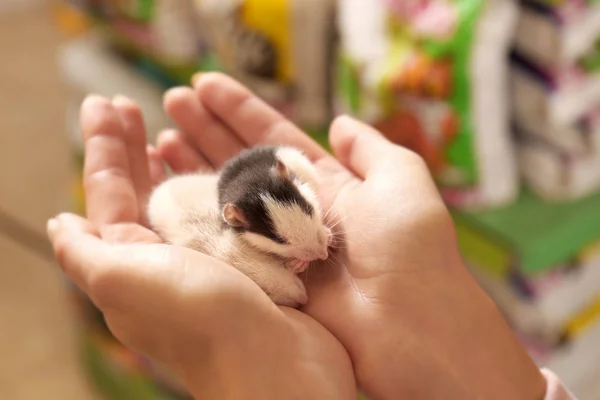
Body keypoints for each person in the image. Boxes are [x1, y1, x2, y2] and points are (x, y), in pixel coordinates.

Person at [47, 73, 576, 400]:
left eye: (317, 223)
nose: (324, 247)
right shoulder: (228, 227)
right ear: (236, 223)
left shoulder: (289, 179)